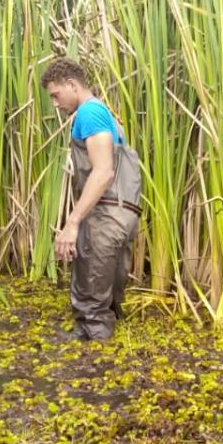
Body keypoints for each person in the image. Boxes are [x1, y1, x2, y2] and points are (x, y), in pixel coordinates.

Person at [41, 58, 142, 341]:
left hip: (105, 215)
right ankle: (108, 362)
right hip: (123, 212)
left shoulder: (89, 113)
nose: (55, 104)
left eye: (56, 95)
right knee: (107, 293)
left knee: (92, 304)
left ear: (72, 85)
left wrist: (72, 222)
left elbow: (104, 171)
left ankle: (92, 365)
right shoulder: (104, 113)